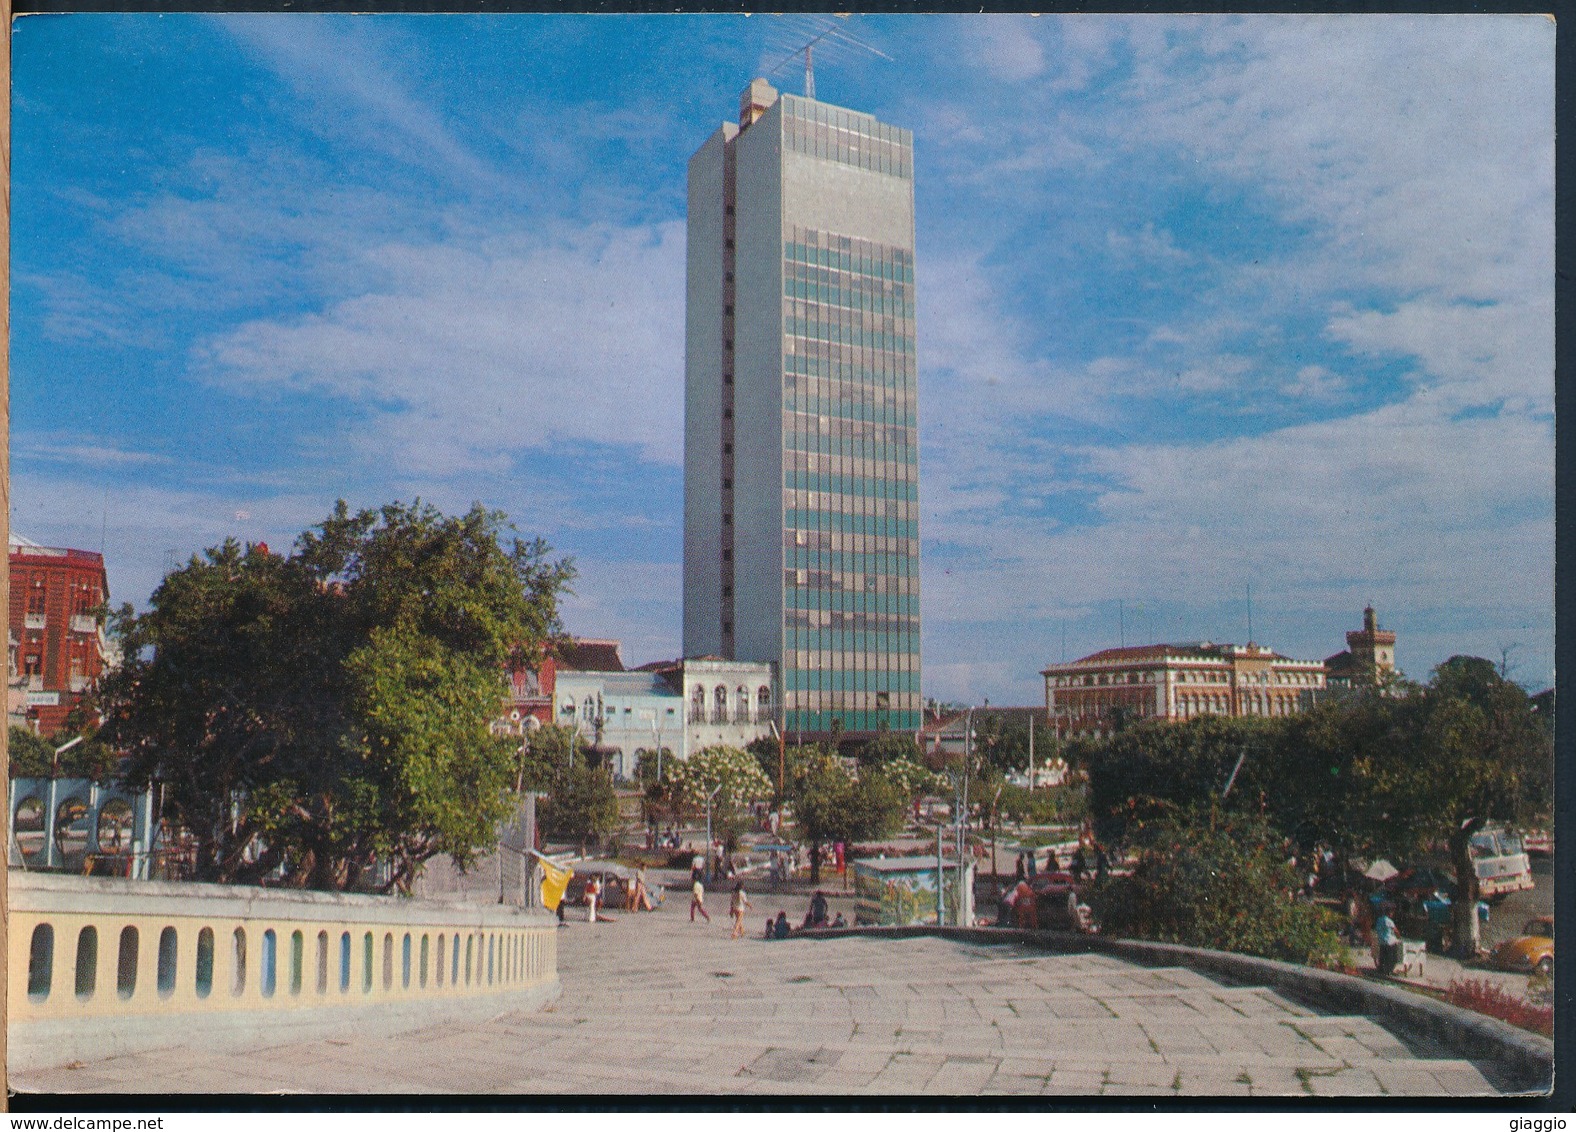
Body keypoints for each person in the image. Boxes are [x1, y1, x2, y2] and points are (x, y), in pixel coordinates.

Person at [1374, 903, 1402, 976]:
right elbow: (1396, 931)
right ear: (1389, 912)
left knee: (1383, 957)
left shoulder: (1379, 919)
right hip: (1390, 942)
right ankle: (1389, 971)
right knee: (1392, 958)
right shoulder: (1389, 921)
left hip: (1382, 941)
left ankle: (1381, 969)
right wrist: (1399, 937)